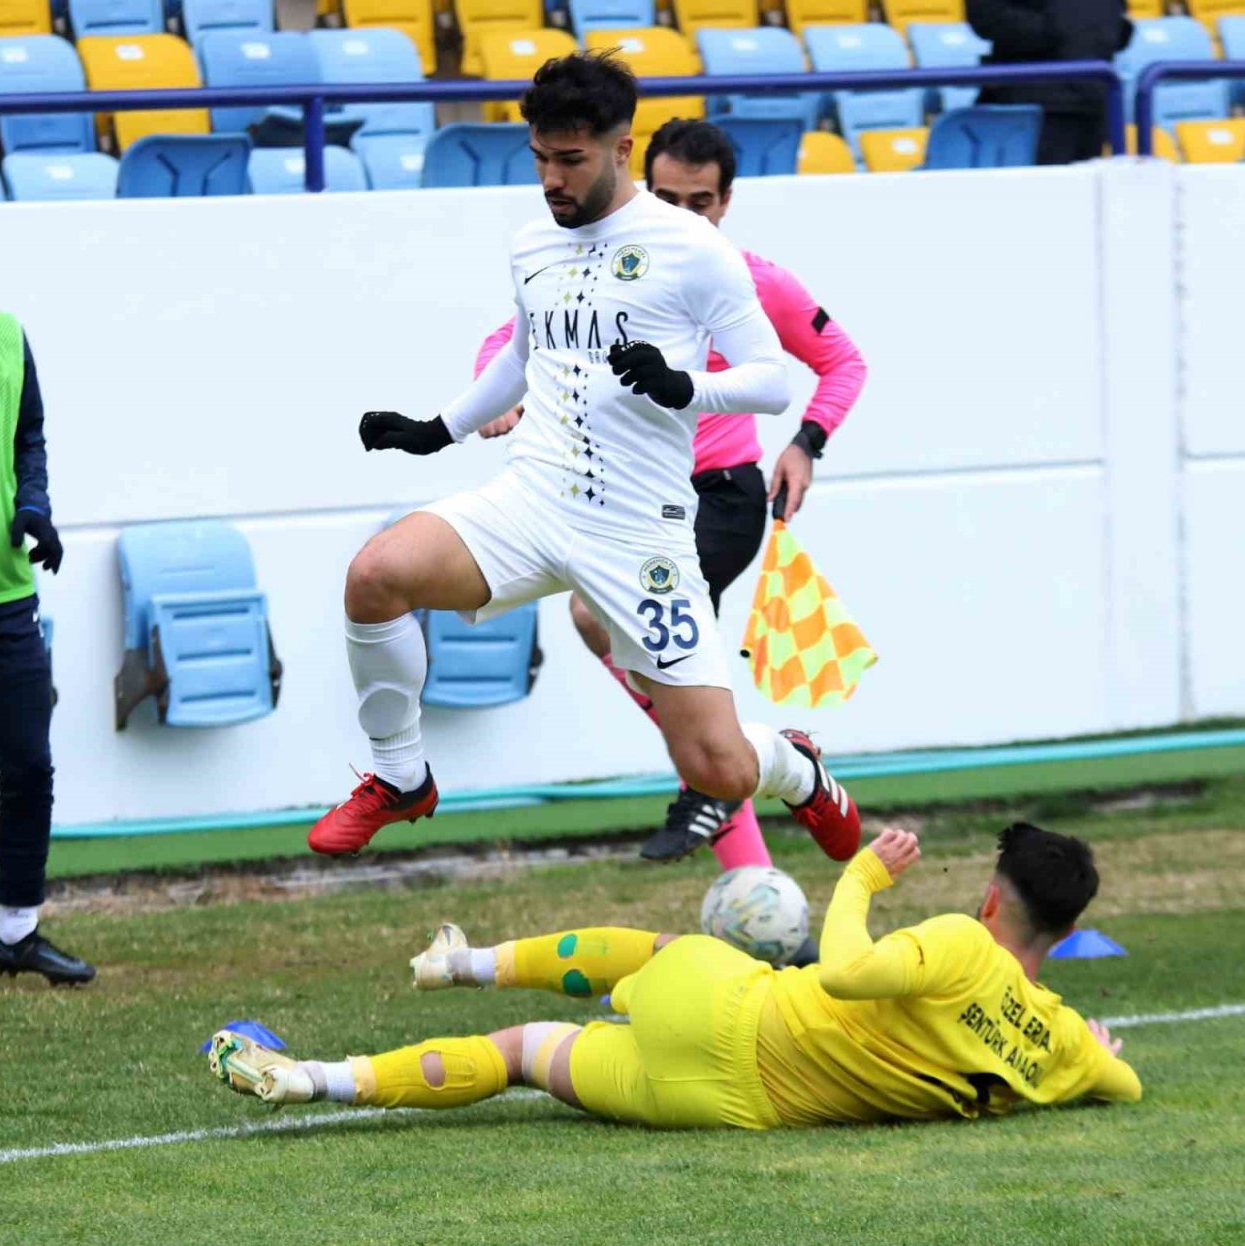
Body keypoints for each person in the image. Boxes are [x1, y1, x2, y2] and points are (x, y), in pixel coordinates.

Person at [306, 54, 861, 866]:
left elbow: (774, 382)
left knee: (719, 767)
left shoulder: (695, 248)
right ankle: (401, 778)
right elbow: (524, 353)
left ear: (620, 150)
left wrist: (686, 388)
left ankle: (794, 766)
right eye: (541, 159)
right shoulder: (534, 242)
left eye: (571, 161)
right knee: (374, 576)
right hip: (533, 499)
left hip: (640, 532)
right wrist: (440, 429)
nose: (553, 180)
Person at [471, 119, 867, 867]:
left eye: (702, 202)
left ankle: (709, 780)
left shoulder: (751, 280)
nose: (685, 217)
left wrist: (806, 444)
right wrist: (498, 396)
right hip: (624, 500)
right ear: (643, 185)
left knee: (597, 612)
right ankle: (742, 812)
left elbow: (842, 362)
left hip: (717, 499)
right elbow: (509, 339)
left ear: (726, 203)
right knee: (654, 667)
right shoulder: (605, 268)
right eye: (669, 197)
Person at [210, 822, 1141, 1127]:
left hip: (736, 1006)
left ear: (990, 897)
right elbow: (1125, 1082)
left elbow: (852, 972)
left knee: (655, 953)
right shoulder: (1058, 1048)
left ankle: (461, 961)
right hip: (727, 1107)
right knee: (529, 1056)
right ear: (1065, 928)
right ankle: (312, 1081)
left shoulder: (963, 942)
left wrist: (860, 875)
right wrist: (1090, 1050)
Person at [0, 196, 94, 985]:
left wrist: (35, 510)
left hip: (4, 603)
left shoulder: (10, 336)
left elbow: (28, 438)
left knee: (30, 768)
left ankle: (18, 935)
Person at [967, 0, 1132, 165]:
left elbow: (1120, 27)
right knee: (1033, 186)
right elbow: (986, 15)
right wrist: (1057, 30)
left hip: (1091, 97)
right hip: (1032, 103)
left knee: (1082, 185)